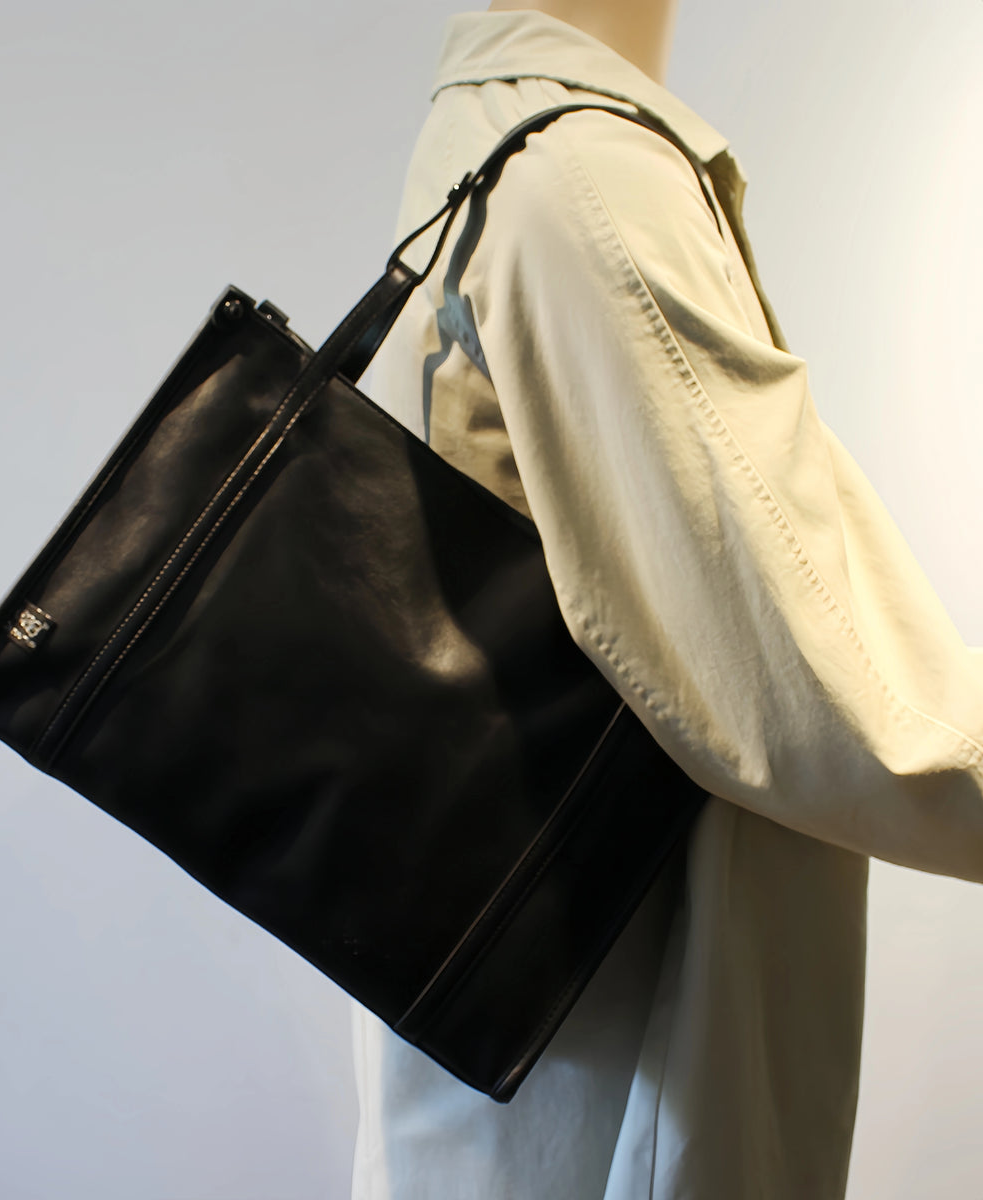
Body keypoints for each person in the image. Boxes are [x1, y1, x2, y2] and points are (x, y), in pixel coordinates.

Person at [350, 4, 983, 1198]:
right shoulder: (584, 177)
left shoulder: (489, 139)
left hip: (526, 1075)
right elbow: (821, 684)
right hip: (627, 1096)